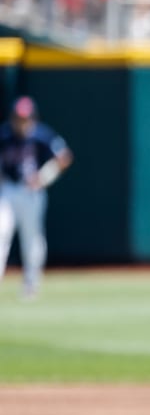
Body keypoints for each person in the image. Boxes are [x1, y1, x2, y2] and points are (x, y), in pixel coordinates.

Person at [0, 96, 73, 300]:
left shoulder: (41, 135)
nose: (22, 122)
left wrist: (42, 178)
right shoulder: (5, 134)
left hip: (31, 193)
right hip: (8, 190)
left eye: (26, 118)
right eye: (18, 118)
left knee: (31, 239)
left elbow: (64, 157)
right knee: (1, 232)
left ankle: (31, 284)